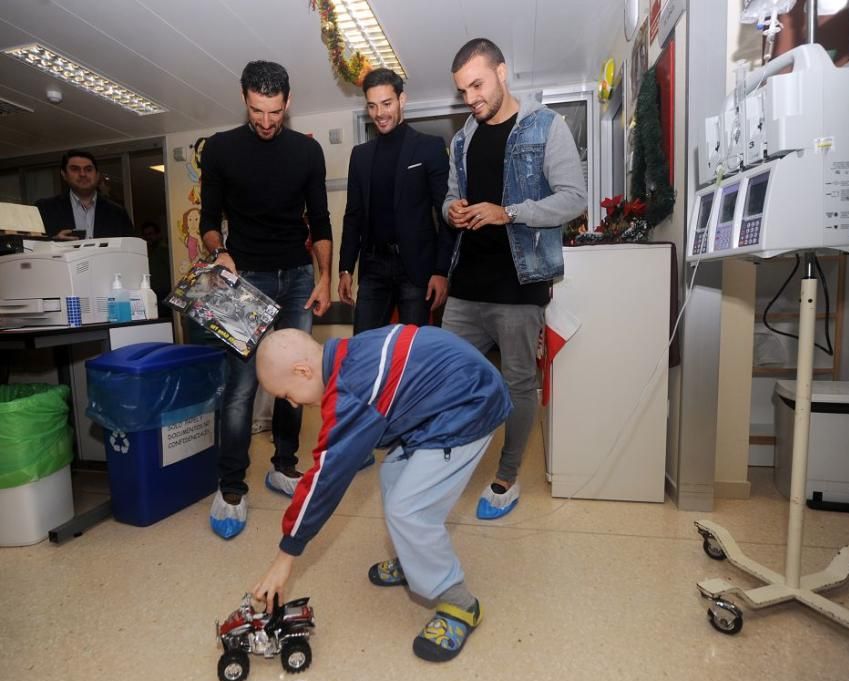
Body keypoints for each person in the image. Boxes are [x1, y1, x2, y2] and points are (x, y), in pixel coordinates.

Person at [250, 325, 511, 662]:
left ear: (303, 371)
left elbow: (325, 478)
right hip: (443, 400)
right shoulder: (345, 354)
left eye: (287, 395)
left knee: (409, 510)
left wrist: (286, 556)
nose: (294, 404)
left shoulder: (350, 391)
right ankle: (414, 558)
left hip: (470, 405)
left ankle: (460, 603)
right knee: (392, 473)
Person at [443, 38, 587, 520]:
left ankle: (506, 477)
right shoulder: (462, 138)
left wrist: (510, 213)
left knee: (519, 383)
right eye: (464, 91)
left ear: (502, 72)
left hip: (518, 283)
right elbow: (449, 196)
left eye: (478, 85)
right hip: (465, 285)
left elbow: (573, 199)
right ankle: (448, 464)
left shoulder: (547, 127)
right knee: (447, 376)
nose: (472, 99)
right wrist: (453, 210)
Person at [200, 60, 333, 539]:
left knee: (295, 378)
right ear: (244, 99)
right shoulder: (219, 149)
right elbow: (208, 219)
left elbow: (320, 220)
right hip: (243, 279)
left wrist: (323, 277)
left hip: (297, 276)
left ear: (288, 102)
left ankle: (282, 465)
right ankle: (231, 485)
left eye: (275, 111)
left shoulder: (306, 153)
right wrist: (221, 253)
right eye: (257, 110)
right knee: (240, 387)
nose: (266, 121)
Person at [338, 68, 453, 333]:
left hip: (415, 269)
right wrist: (345, 267)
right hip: (373, 267)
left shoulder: (430, 147)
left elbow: (445, 212)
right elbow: (353, 215)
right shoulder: (360, 155)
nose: (380, 113)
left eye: (387, 103)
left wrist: (441, 270)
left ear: (402, 100)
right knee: (364, 348)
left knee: (412, 352)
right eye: (372, 106)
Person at [35, 150, 134, 240]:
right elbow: (29, 248)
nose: (82, 174)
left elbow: (132, 248)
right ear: (64, 174)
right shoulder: (45, 209)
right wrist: (53, 243)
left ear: (97, 175)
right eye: (75, 169)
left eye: (88, 169)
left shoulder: (117, 213)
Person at [139, 221, 171, 317]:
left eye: (151, 234)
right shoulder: (146, 252)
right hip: (153, 293)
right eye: (146, 235)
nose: (148, 237)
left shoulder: (165, 250)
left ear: (158, 234)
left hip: (165, 293)